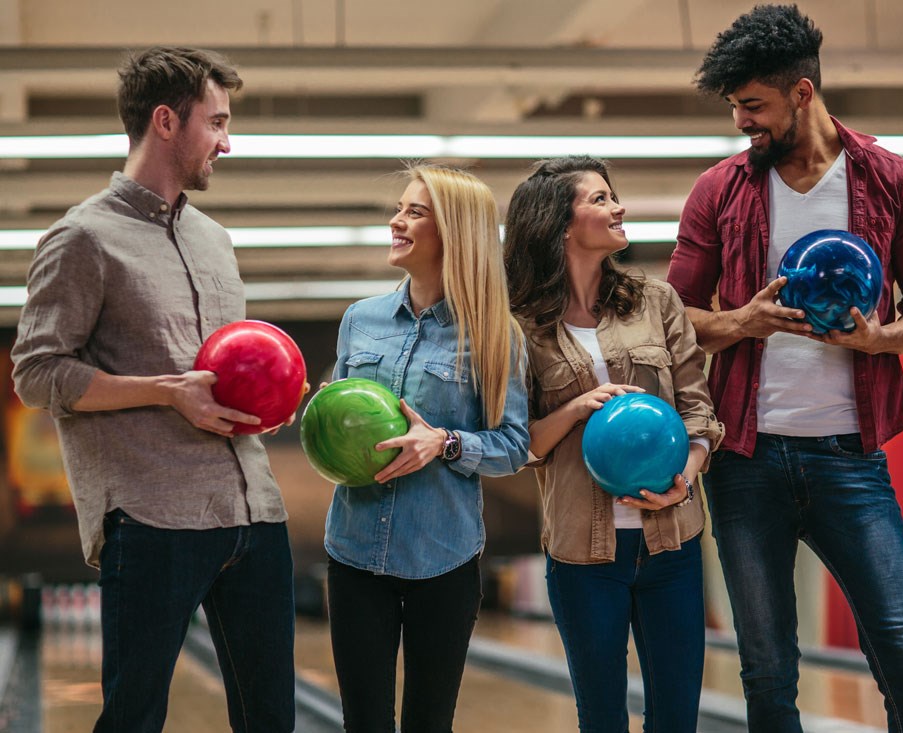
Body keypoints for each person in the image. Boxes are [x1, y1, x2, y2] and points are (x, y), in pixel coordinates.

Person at [666, 5, 903, 730]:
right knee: (767, 673)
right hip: (745, 462)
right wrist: (743, 321)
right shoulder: (719, 191)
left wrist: (879, 339)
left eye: (753, 105)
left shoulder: (893, 182)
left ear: (803, 92)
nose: (741, 122)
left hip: (851, 462)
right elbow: (672, 319)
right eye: (735, 107)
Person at [12, 47, 301, 732]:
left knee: (274, 721)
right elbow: (36, 371)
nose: (227, 142)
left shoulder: (215, 240)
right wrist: (167, 392)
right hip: (152, 517)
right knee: (134, 719)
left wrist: (269, 393)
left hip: (255, 511)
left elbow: (224, 367)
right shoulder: (82, 238)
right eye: (218, 122)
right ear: (166, 121)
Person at [504, 155, 724, 733]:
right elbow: (515, 444)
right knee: (601, 717)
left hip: (672, 542)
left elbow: (698, 412)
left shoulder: (656, 301)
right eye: (599, 199)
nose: (617, 207)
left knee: (676, 718)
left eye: (613, 196)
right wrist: (578, 407)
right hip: (582, 554)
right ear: (558, 222)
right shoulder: (520, 326)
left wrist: (687, 476)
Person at [322, 163, 529, 733]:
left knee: (428, 724)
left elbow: (514, 445)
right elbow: (340, 426)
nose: (396, 220)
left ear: (455, 232)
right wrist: (328, 420)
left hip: (443, 557)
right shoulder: (360, 321)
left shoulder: (493, 333)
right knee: (362, 722)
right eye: (400, 208)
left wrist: (445, 443)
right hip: (354, 552)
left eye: (415, 212)